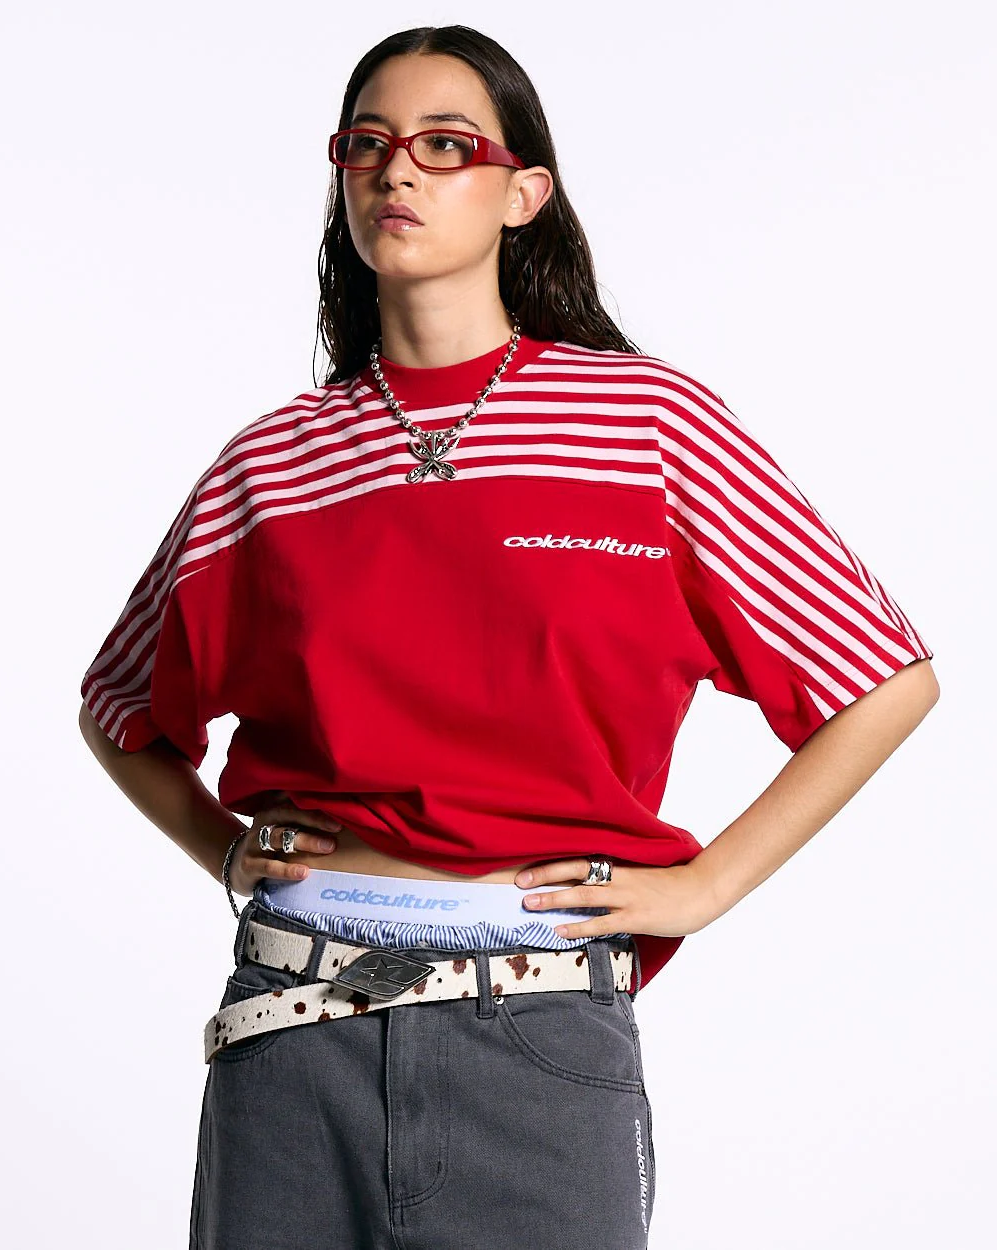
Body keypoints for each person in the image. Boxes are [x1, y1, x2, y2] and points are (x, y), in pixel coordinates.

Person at [77, 24, 940, 1250]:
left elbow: (882, 676)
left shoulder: (645, 426)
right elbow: (119, 710)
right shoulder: (271, 463)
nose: (397, 169)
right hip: (291, 1024)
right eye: (367, 144)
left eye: (445, 144)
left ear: (523, 193)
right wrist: (226, 849)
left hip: (541, 1035)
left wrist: (705, 884)